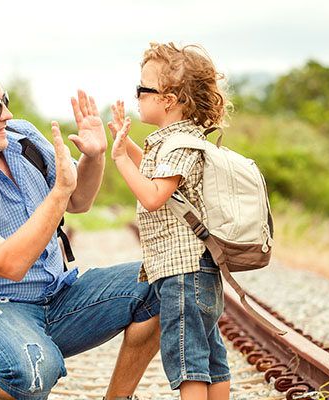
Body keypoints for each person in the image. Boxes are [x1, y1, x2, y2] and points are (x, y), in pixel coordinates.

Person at [0, 56, 161, 400]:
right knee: (31, 371)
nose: (7, 115)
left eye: (5, 101)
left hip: (56, 297)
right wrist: (59, 191)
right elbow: (10, 263)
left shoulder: (22, 139)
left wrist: (94, 156)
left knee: (163, 281)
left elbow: (79, 201)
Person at [107, 42, 232, 399]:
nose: (137, 96)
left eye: (142, 90)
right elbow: (154, 176)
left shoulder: (178, 143)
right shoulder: (176, 141)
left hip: (183, 271)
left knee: (187, 358)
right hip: (196, 269)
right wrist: (126, 143)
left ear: (169, 99)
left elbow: (152, 195)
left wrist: (119, 160)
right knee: (211, 356)